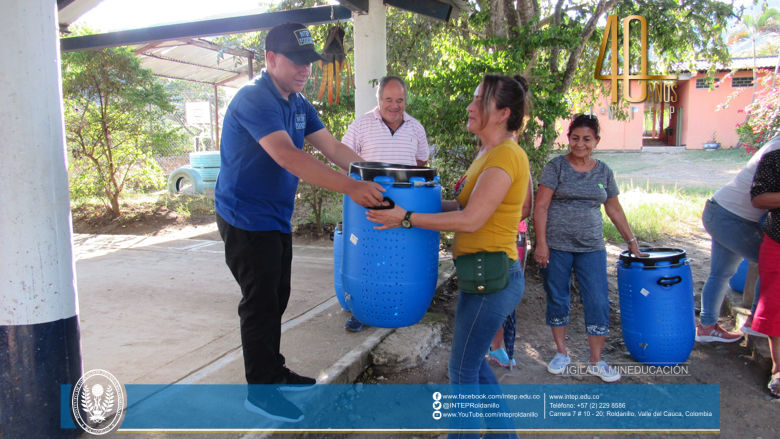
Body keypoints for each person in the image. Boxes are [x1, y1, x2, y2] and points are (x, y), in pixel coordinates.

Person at [214, 22, 384, 422]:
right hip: (244, 218)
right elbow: (289, 156)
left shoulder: (297, 102)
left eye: (310, 61)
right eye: (297, 62)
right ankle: (260, 390)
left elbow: (334, 147)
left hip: (273, 217)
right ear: (271, 59)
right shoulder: (255, 99)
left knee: (278, 296)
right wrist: (350, 188)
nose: (306, 69)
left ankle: (273, 370)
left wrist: (375, 175)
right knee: (261, 304)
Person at [368, 73, 531, 438]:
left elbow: (471, 220)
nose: (470, 106)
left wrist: (406, 219)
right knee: (475, 367)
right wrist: (405, 205)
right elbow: (459, 205)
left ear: (502, 113)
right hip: (480, 277)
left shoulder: (505, 155)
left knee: (461, 370)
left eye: (479, 101)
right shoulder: (487, 153)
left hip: (494, 279)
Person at [533, 113, 645, 383]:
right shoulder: (556, 167)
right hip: (557, 246)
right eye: (574, 138)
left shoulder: (604, 171)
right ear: (568, 138)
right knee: (558, 298)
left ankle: (596, 361)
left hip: (592, 247)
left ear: (596, 140)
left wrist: (631, 240)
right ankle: (562, 353)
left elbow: (614, 209)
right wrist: (541, 244)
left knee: (597, 300)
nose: (579, 144)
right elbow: (541, 206)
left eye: (586, 139)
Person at [340, 75, 430, 332]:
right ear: (379, 100)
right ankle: (362, 309)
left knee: (402, 256)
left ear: (406, 100)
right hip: (367, 203)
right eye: (388, 99)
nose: (394, 105)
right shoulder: (361, 125)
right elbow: (346, 162)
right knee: (367, 255)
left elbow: (421, 164)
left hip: (406, 204)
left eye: (400, 100)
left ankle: (404, 304)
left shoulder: (416, 127)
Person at [697, 135, 780, 342]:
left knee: (721, 273)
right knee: (770, 263)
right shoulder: (776, 149)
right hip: (730, 216)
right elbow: (761, 198)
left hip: (720, 209)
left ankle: (707, 328)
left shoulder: (775, 143)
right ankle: (755, 321)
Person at [749, 148, 780, 397]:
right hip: (778, 241)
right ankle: (779, 369)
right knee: (776, 305)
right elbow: (759, 199)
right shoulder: (774, 158)